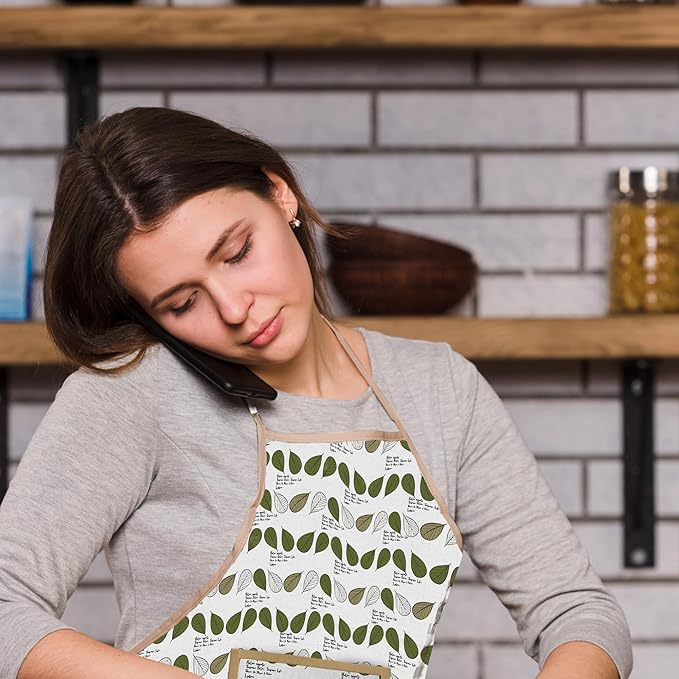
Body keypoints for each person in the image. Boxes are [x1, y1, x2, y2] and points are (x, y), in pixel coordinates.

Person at [0, 106, 632, 679]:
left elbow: (576, 613)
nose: (235, 309)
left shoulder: (439, 388)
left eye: (238, 252)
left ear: (280, 193)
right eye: (183, 301)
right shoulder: (130, 397)